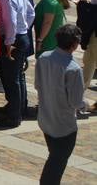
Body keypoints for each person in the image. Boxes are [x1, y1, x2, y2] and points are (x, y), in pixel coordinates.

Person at [35, 24, 86, 185]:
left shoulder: (43, 58)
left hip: (45, 119)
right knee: (56, 164)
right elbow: (76, 102)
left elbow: (37, 85)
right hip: (64, 125)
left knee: (55, 157)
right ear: (75, 44)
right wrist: (85, 105)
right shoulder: (73, 69)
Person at [0, 0, 34, 128]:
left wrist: (9, 42)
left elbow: (10, 22)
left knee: (11, 79)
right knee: (17, 77)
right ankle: (18, 109)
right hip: (21, 36)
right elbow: (31, 13)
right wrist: (24, 27)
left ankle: (13, 116)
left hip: (13, 40)